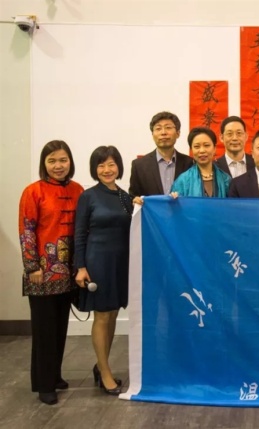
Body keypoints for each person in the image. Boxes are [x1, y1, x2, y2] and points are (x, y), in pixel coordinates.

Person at [18, 140, 83, 405]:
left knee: (60, 327)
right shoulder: (33, 191)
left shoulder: (78, 189)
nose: (58, 166)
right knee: (44, 331)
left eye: (63, 160)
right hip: (42, 272)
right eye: (52, 161)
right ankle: (44, 384)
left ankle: (54, 375)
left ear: (70, 162)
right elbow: (26, 230)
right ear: (44, 163)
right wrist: (32, 266)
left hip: (68, 273)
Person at [73, 146, 133, 396]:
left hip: (121, 262)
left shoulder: (125, 196)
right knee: (102, 316)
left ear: (118, 166)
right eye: (101, 165)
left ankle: (101, 366)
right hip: (97, 261)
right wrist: (80, 267)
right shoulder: (88, 196)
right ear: (94, 169)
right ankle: (105, 372)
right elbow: (79, 234)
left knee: (113, 314)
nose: (107, 170)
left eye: (111, 164)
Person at [130, 111, 193, 196]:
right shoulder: (139, 166)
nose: (163, 132)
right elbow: (133, 196)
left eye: (168, 127)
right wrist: (135, 200)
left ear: (178, 133)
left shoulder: (190, 163)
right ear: (152, 134)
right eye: (158, 128)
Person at [171, 127, 231, 198]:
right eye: (197, 146)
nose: (202, 150)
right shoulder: (183, 181)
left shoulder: (226, 180)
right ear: (191, 150)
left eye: (206, 145)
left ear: (214, 149)